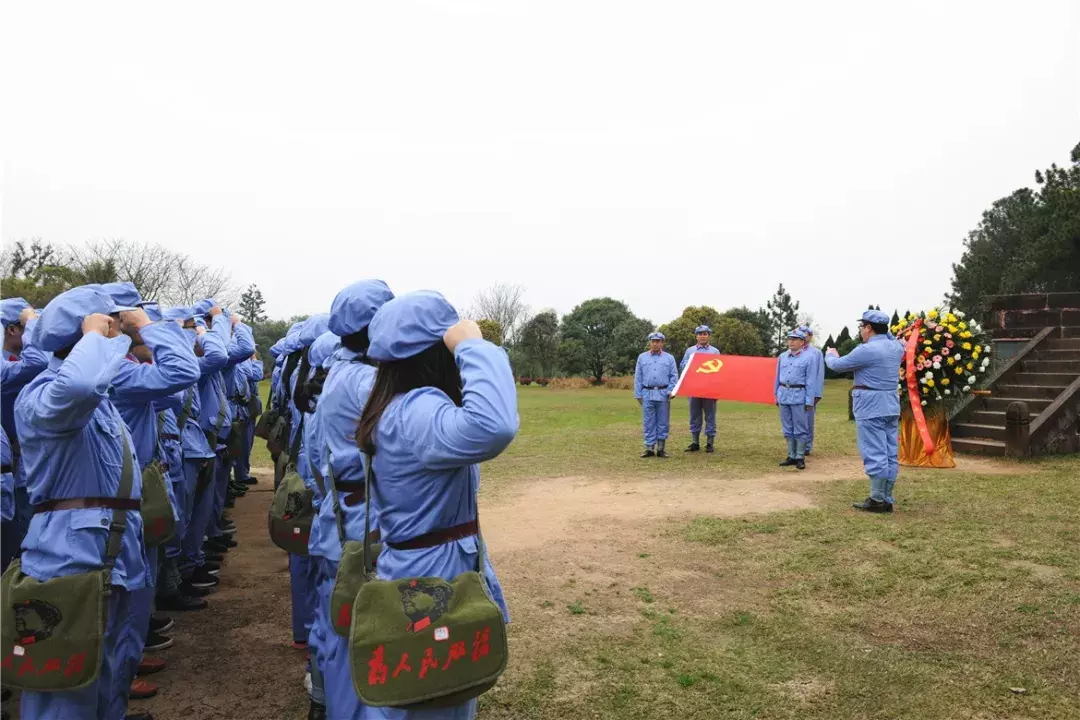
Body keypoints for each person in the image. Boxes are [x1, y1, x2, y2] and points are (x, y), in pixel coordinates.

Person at [357, 290, 515, 720]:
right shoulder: (418, 409)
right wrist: (472, 345)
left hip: (421, 567)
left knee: (418, 698)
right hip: (433, 581)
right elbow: (494, 426)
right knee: (435, 697)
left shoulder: (395, 405)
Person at [13, 285, 152, 720]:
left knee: (109, 673)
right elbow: (79, 384)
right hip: (70, 560)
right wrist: (94, 334)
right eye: (109, 324)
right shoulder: (41, 396)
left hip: (111, 556)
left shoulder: (101, 401)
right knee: (65, 694)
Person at [101, 283, 201, 699]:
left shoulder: (123, 368)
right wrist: (150, 329)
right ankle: (122, 671)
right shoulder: (118, 371)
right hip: (127, 489)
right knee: (130, 586)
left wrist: (151, 335)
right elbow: (185, 372)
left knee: (140, 579)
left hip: (138, 482)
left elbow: (176, 394)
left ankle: (127, 662)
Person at [312, 279, 394, 719]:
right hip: (369, 523)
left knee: (340, 630)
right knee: (367, 638)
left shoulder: (343, 372)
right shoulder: (370, 383)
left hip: (341, 518)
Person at [825, 310, 905, 512]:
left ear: (869, 328)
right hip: (890, 404)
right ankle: (886, 496)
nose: (860, 330)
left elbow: (837, 366)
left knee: (874, 451)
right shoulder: (896, 347)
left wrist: (830, 354)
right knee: (889, 453)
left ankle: (877, 499)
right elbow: (889, 337)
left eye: (862, 326)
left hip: (871, 405)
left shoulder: (866, 350)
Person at [1, 297, 49, 571]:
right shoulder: (9, 365)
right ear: (12, 329)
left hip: (24, 465)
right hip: (11, 467)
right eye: (27, 327)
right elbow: (38, 361)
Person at [634, 332, 678, 458]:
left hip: (663, 393)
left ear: (662, 343)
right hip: (647, 393)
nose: (655, 343)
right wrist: (638, 394)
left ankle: (661, 448)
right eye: (653, 341)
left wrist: (672, 390)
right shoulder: (642, 357)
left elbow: (674, 376)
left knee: (663, 421)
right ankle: (649, 448)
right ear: (650, 342)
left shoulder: (669, 358)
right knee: (649, 422)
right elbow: (638, 376)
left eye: (658, 341)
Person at [775, 329, 814, 470]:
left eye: (794, 339)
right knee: (787, 428)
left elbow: (810, 381)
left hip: (799, 395)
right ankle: (791, 455)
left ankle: (800, 456)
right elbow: (777, 377)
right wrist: (776, 395)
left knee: (801, 428)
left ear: (802, 342)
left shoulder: (808, 358)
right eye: (789, 338)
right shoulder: (782, 357)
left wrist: (809, 400)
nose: (791, 341)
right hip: (784, 394)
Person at [679, 325, 721, 453]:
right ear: (696, 336)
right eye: (700, 333)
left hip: (709, 389)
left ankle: (709, 443)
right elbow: (682, 367)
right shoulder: (690, 351)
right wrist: (692, 362)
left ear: (709, 336)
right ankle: (695, 442)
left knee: (710, 415)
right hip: (694, 389)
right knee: (694, 415)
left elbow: (720, 370)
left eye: (705, 333)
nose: (702, 336)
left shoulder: (715, 352)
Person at [799, 325, 825, 456]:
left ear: (810, 336)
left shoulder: (816, 353)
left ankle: (807, 446)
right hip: (796, 391)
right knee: (797, 420)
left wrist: (817, 393)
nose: (803, 337)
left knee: (808, 420)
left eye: (806, 334)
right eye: (801, 334)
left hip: (810, 392)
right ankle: (797, 446)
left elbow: (819, 374)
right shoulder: (794, 351)